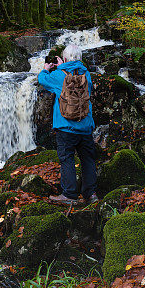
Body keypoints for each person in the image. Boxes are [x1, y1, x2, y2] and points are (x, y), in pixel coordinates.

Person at [37, 44, 98, 205]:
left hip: (65, 126)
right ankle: (90, 194)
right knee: (88, 160)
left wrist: (46, 68)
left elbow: (42, 79)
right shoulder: (87, 74)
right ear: (80, 58)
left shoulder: (58, 75)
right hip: (85, 126)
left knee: (67, 159)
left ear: (64, 59)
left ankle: (69, 195)